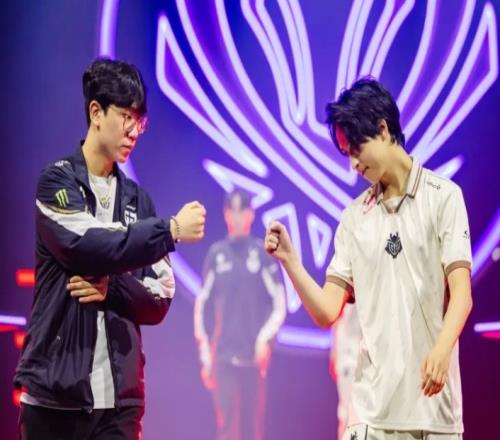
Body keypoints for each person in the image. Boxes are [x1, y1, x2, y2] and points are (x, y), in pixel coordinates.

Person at [264, 78, 472, 439]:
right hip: (370, 417)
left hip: (434, 413)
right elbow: (327, 312)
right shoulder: (354, 218)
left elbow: (462, 295)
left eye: (356, 149)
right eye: (346, 154)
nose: (353, 164)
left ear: (383, 128)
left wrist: (441, 350)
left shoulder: (444, 197)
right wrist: (290, 261)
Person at [14, 58, 206, 440]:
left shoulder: (139, 201)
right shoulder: (56, 182)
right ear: (96, 113)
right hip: (54, 397)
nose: (134, 131)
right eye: (126, 117)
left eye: (141, 122)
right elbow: (86, 246)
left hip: (120, 405)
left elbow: (160, 297)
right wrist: (169, 229)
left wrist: (112, 287)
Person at [194, 189, 286, 440]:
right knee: (227, 428)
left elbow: (279, 304)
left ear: (250, 214)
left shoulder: (262, 255)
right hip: (223, 356)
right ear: (225, 214)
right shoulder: (217, 255)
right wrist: (205, 353)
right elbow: (202, 306)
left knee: (252, 429)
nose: (236, 216)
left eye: (242, 210)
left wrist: (264, 339)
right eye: (232, 210)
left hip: (253, 359)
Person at [329, 304, 362, 440]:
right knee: (347, 414)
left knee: (352, 415)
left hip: (354, 360)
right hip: (347, 361)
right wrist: (334, 352)